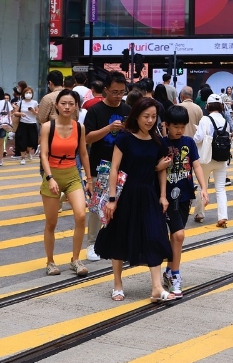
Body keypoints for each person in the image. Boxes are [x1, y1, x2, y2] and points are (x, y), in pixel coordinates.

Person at [95, 97, 174, 300]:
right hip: (126, 195)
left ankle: (156, 288)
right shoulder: (124, 138)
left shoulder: (157, 142)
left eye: (154, 117)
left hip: (148, 194)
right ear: (136, 116)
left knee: (155, 236)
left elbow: (162, 170)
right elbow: (114, 169)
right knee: (120, 237)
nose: (150, 120)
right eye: (146, 116)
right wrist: (112, 198)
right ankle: (117, 284)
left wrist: (163, 196)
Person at [38, 89, 91, 276]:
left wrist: (89, 179)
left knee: (81, 216)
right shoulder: (47, 127)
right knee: (51, 223)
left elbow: (83, 154)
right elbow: (43, 154)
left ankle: (75, 260)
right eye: (63, 103)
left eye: (71, 104)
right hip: (52, 175)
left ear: (76, 106)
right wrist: (50, 178)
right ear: (56, 105)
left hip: (72, 175)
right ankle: (50, 262)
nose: (67, 107)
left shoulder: (79, 127)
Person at [161, 105, 208, 298]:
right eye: (176, 126)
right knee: (179, 235)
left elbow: (196, 166)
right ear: (166, 125)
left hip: (185, 195)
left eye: (182, 126)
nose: (179, 130)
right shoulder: (161, 143)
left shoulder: (188, 142)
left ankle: (169, 271)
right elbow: (158, 169)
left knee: (176, 236)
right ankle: (175, 276)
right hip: (167, 197)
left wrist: (204, 188)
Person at [83, 73, 131, 261]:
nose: (118, 96)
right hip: (100, 165)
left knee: (121, 205)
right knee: (97, 206)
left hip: (123, 166)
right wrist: (108, 129)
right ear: (106, 90)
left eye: (121, 92)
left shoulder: (127, 109)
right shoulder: (95, 111)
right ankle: (92, 243)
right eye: (114, 92)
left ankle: (116, 241)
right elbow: (87, 138)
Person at [193, 94, 233, 227]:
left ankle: (200, 214)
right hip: (221, 159)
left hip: (206, 159)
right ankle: (223, 216)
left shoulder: (205, 119)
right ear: (221, 106)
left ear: (208, 106)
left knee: (202, 185)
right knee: (220, 188)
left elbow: (198, 138)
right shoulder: (225, 121)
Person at [13, 86, 40, 164]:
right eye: (27, 92)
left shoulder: (34, 102)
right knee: (22, 141)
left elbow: (38, 113)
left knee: (32, 141)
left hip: (32, 124)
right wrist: (21, 114)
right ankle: (23, 158)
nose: (28, 94)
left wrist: (33, 111)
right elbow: (15, 112)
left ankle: (28, 152)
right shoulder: (20, 102)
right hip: (23, 124)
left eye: (30, 93)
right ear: (24, 94)